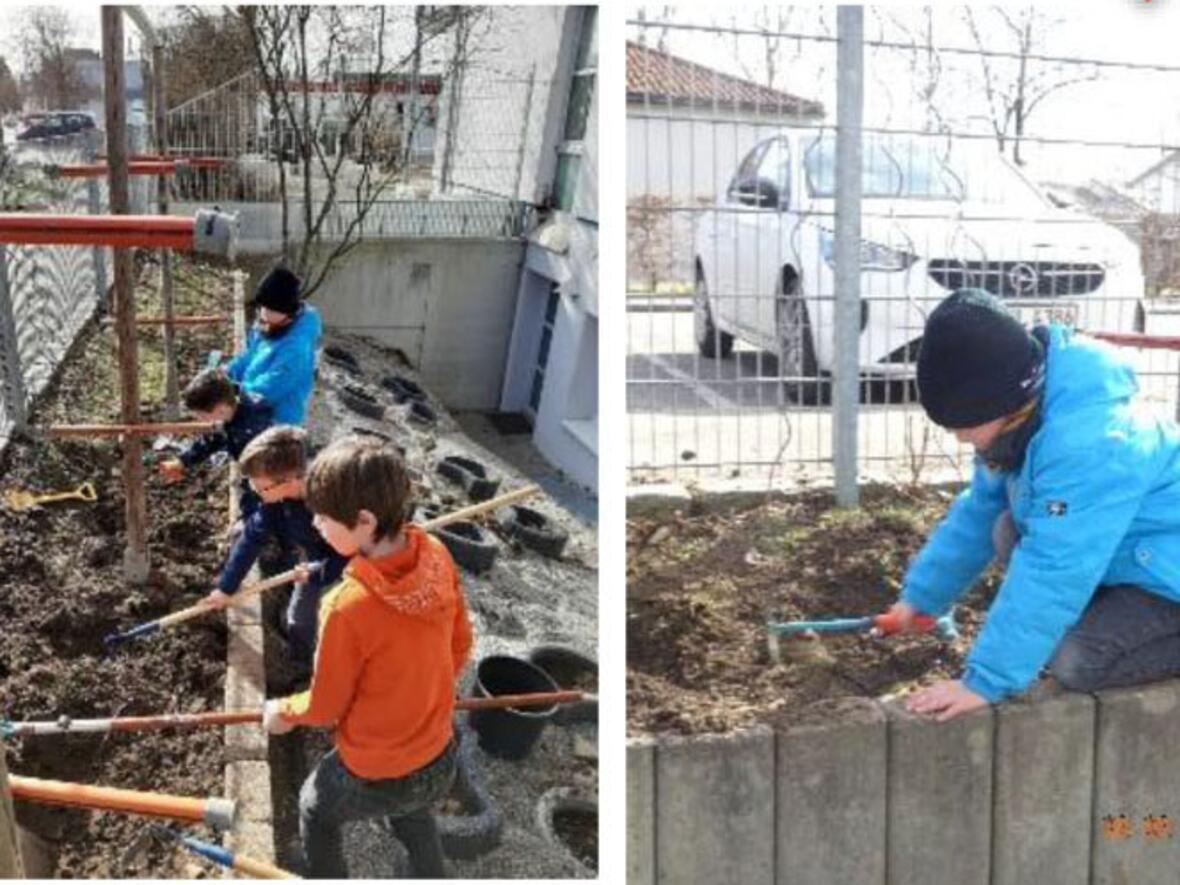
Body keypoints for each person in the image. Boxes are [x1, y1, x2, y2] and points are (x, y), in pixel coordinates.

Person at [891, 288, 1180, 721]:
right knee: (1007, 530)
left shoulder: (1092, 443)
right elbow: (977, 513)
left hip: (1168, 577)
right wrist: (922, 599)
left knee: (1078, 660)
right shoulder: (1021, 421)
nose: (961, 438)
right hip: (1139, 556)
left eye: (965, 425)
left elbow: (1055, 566)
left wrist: (984, 681)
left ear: (1006, 402)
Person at [262, 435, 473, 879]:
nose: (315, 523)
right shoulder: (435, 554)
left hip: (378, 770)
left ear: (364, 520)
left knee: (315, 810)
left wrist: (283, 711)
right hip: (439, 753)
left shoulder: (348, 605)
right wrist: (419, 695)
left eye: (323, 516)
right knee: (415, 814)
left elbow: (325, 707)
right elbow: (460, 645)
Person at [209, 426, 346, 674]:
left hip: (355, 565)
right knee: (298, 618)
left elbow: (350, 552)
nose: (257, 494)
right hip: (314, 555)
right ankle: (302, 666)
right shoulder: (276, 501)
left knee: (341, 617)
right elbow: (251, 539)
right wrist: (225, 588)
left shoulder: (334, 499)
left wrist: (320, 573)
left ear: (292, 480)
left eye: (262, 489)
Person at [158, 368, 274, 518]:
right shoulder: (232, 408)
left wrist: (248, 518)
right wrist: (183, 460)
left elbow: (261, 480)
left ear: (220, 409)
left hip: (271, 482)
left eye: (201, 415)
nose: (200, 420)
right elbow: (212, 440)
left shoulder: (252, 428)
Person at [226, 266, 321, 426]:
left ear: (287, 313)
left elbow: (272, 386)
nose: (263, 314)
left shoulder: (297, 345)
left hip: (277, 419)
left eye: (269, 309)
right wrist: (227, 373)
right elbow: (249, 356)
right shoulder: (269, 323)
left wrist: (234, 391)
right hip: (250, 404)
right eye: (262, 307)